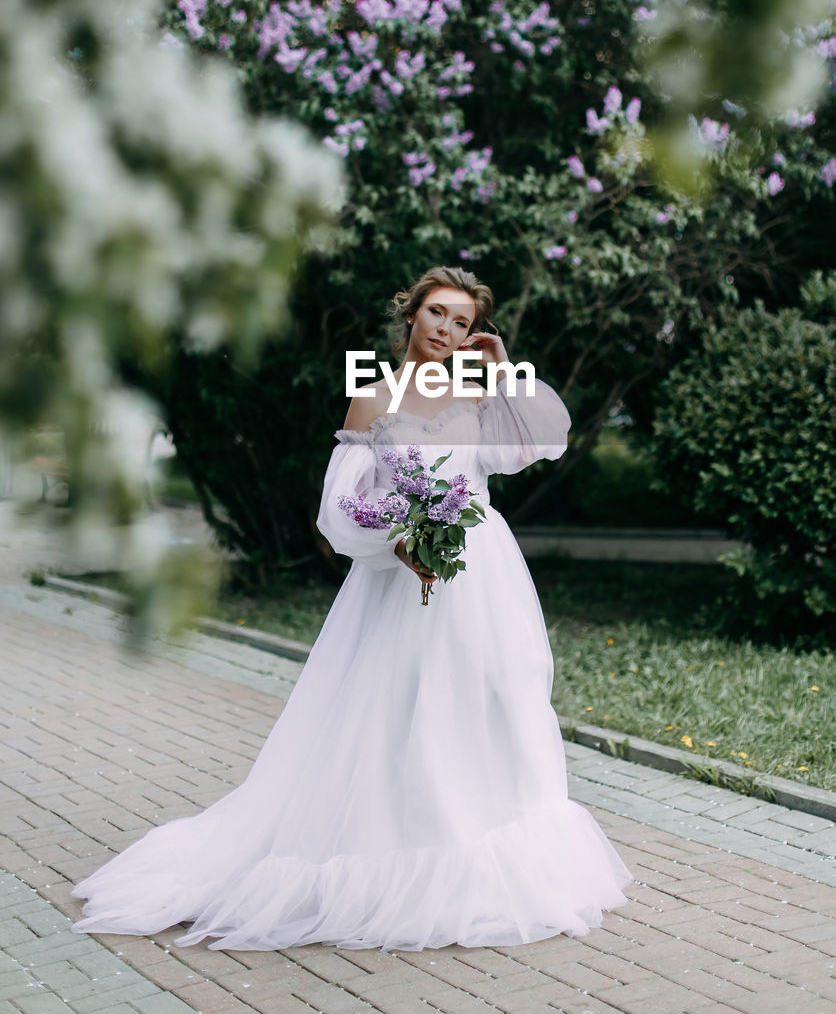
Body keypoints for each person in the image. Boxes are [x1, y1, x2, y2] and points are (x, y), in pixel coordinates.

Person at [70, 265, 633, 951]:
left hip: (482, 575)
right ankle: (403, 839)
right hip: (400, 580)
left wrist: (503, 365)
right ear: (411, 313)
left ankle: (491, 840)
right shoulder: (370, 401)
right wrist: (397, 543)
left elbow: (539, 442)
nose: (447, 331)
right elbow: (341, 508)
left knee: (496, 695)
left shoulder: (481, 395)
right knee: (406, 707)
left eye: (462, 323)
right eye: (438, 314)